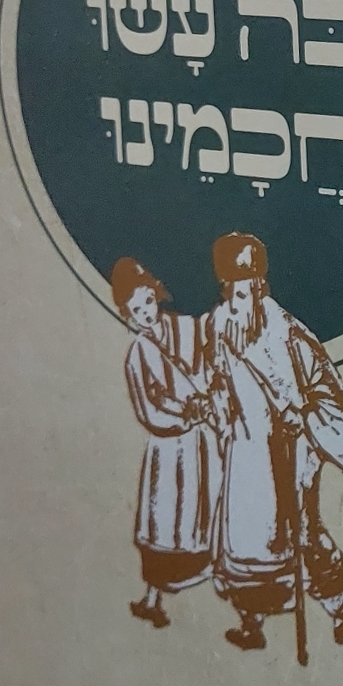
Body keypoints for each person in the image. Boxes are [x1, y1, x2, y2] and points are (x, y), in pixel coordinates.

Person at [203, 232, 343, 655]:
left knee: (302, 534)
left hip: (288, 453)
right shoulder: (218, 324)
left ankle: (342, 608)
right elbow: (217, 377)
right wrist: (219, 405)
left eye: (247, 291)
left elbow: (323, 389)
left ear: (261, 287)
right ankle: (250, 622)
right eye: (232, 292)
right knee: (243, 537)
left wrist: (302, 415)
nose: (239, 302)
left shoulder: (287, 335)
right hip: (244, 451)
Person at [112, 257, 221, 628]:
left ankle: (216, 585)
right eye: (136, 310)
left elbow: (212, 366)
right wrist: (182, 416)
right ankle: (154, 598)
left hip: (204, 442)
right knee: (165, 516)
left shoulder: (189, 328)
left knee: (207, 507)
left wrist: (206, 402)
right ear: (128, 315)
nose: (146, 313)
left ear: (156, 294)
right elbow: (147, 409)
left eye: (148, 302)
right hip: (169, 450)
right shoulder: (138, 355)